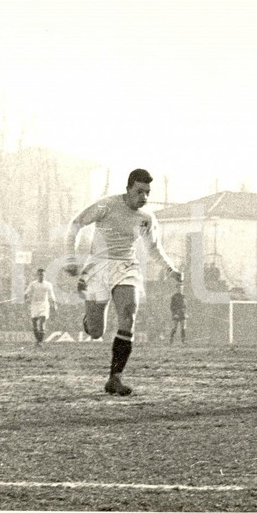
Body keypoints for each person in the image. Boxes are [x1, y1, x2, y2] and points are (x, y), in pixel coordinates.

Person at [64, 168, 183, 395]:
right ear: (128, 189)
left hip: (126, 267)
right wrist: (70, 259)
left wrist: (171, 269)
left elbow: (154, 248)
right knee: (96, 331)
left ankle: (115, 378)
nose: (144, 197)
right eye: (139, 191)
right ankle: (89, 319)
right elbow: (76, 224)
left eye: (147, 192)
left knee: (129, 313)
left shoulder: (147, 218)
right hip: (98, 266)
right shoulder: (106, 206)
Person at [24, 268, 57, 348]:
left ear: (44, 275)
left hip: (44, 304)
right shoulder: (33, 284)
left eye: (42, 275)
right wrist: (26, 296)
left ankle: (40, 342)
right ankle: (38, 341)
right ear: (37, 275)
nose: (41, 276)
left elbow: (52, 295)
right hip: (34, 305)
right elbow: (26, 292)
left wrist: (54, 304)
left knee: (42, 323)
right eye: (39, 274)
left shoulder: (48, 284)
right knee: (34, 324)